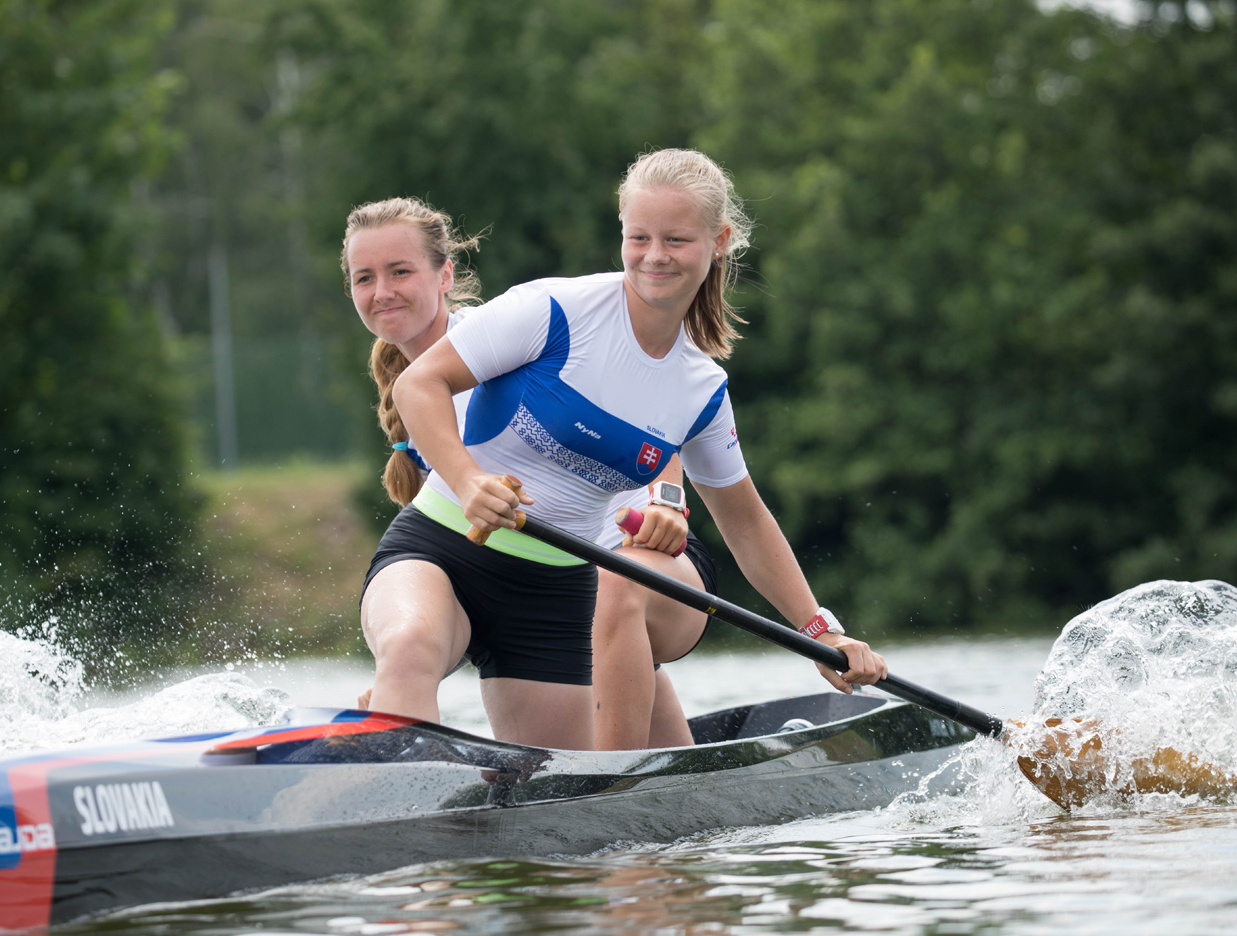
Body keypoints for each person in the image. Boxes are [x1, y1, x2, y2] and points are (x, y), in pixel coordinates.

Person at [373, 149, 886, 750]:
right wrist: (466, 480)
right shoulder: (553, 310)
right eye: (639, 237)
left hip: (557, 593)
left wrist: (821, 630)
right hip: (442, 546)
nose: (654, 256)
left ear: (718, 241)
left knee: (571, 777)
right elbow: (418, 385)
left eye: (676, 239)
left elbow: (745, 522)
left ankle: (616, 785)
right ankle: (382, 767)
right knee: (408, 644)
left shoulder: (700, 389)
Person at [343, 196, 713, 745]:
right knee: (411, 647)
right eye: (364, 278)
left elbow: (656, 420)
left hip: (611, 554)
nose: (382, 292)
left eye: (400, 272)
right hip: (528, 573)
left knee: (652, 756)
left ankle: (674, 769)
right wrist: (404, 679)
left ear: (445, 276)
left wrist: (666, 503)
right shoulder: (417, 394)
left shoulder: (497, 342)